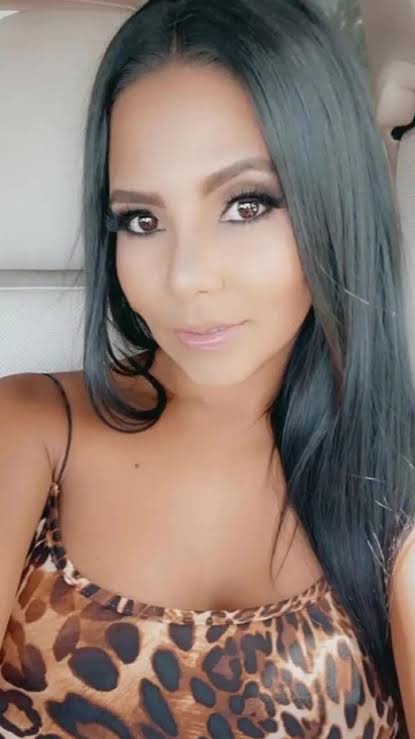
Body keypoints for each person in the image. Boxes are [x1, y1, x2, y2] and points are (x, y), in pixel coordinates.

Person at [0, 0, 414, 735]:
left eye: (246, 204)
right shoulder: (30, 431)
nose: (186, 276)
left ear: (336, 199)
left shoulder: (395, 482)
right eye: (141, 219)